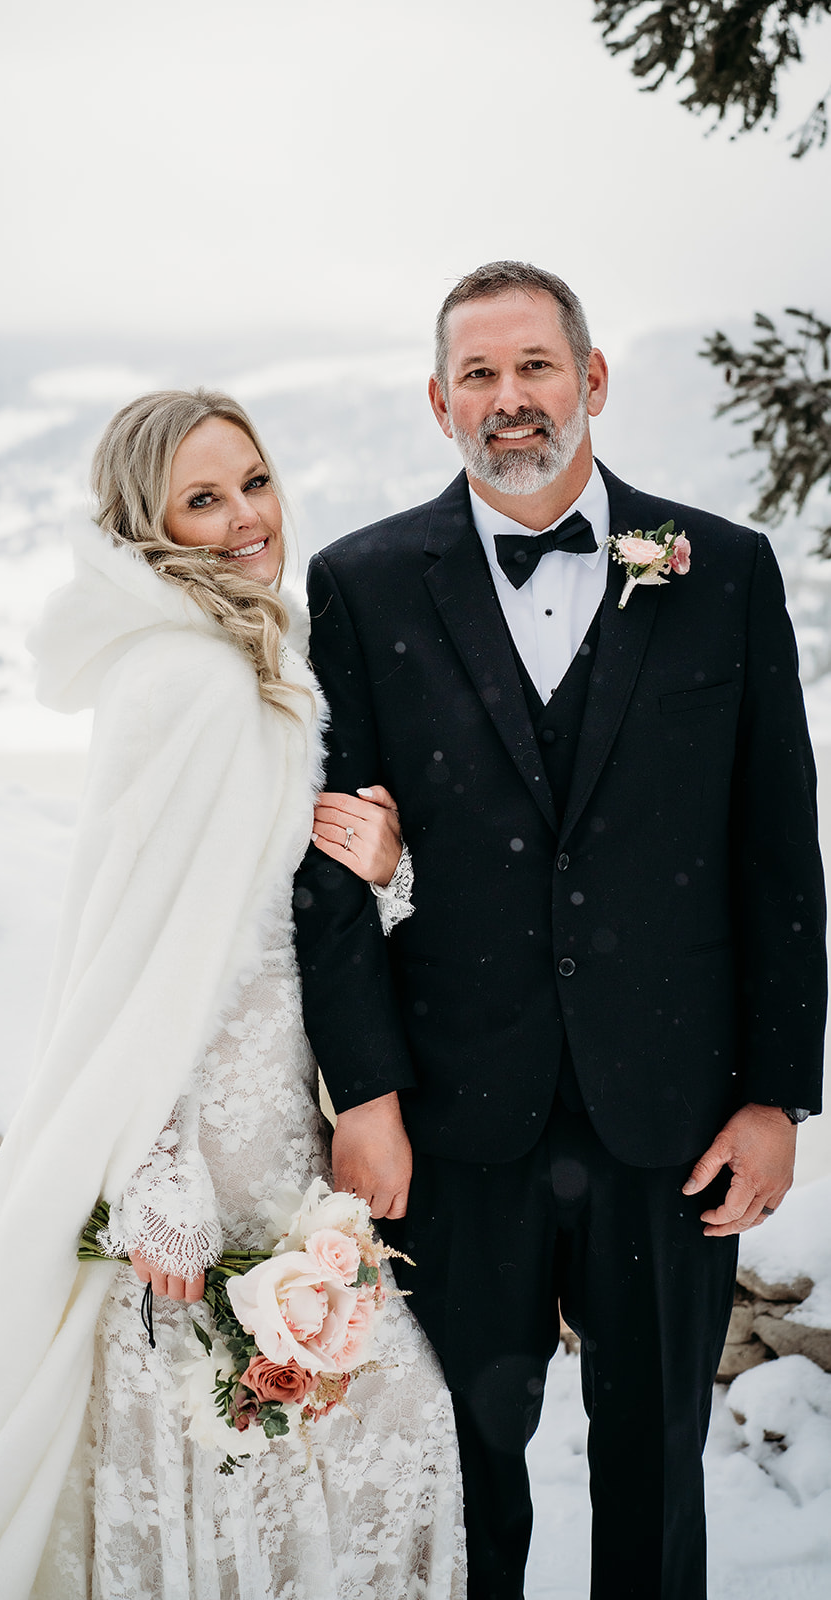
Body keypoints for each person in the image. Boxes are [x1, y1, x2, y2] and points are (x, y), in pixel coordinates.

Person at [0, 389, 465, 1600]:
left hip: (286, 1105)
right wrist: (154, 1162)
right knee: (230, 1422)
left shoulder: (253, 647)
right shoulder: (185, 679)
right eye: (202, 500)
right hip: (202, 1121)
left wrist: (386, 875)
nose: (243, 520)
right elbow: (134, 952)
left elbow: (268, 901)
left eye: (254, 482)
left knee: (330, 1426)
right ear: (146, 528)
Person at [293, 261, 825, 1600]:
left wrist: (775, 1097)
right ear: (435, 404)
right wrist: (364, 1093)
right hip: (451, 1116)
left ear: (590, 381)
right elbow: (328, 871)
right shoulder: (358, 587)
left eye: (534, 366)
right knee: (460, 1473)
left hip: (671, 1112)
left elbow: (776, 860)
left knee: (653, 1465)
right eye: (476, 374)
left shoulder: (724, 571)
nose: (508, 398)